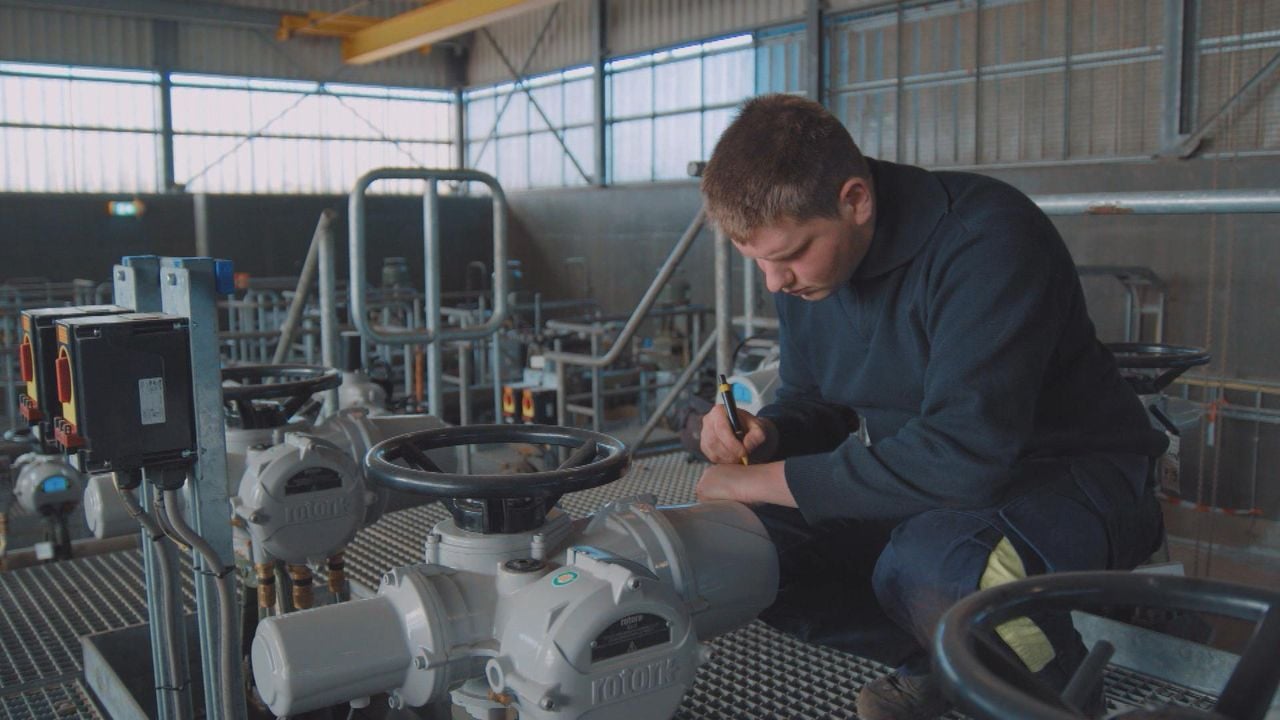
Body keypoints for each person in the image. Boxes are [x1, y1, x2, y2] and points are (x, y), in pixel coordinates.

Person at [695, 94, 1166, 719]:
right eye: (756, 262)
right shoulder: (811, 272)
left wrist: (764, 482)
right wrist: (768, 436)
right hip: (934, 486)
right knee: (751, 553)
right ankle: (938, 660)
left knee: (937, 565)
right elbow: (818, 402)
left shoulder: (985, 240)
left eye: (786, 257)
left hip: (1077, 481)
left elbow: (962, 456)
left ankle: (1053, 697)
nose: (774, 283)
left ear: (854, 200)